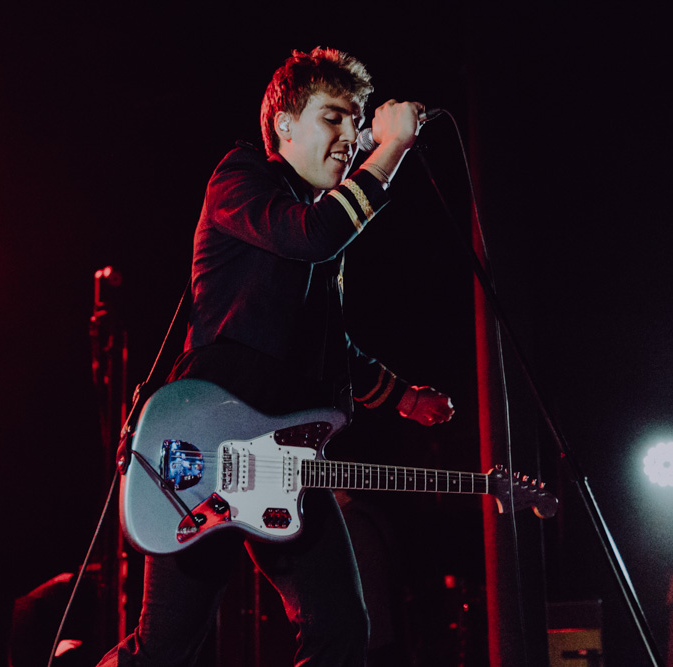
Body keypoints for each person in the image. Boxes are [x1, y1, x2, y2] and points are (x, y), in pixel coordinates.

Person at [98, 47, 454, 667]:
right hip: (201, 449)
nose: (349, 136)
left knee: (341, 627)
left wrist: (405, 397)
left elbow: (328, 349)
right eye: (332, 118)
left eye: (357, 120)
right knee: (166, 651)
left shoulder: (324, 230)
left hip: (285, 458)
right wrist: (389, 151)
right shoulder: (241, 178)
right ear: (285, 125)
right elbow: (309, 237)